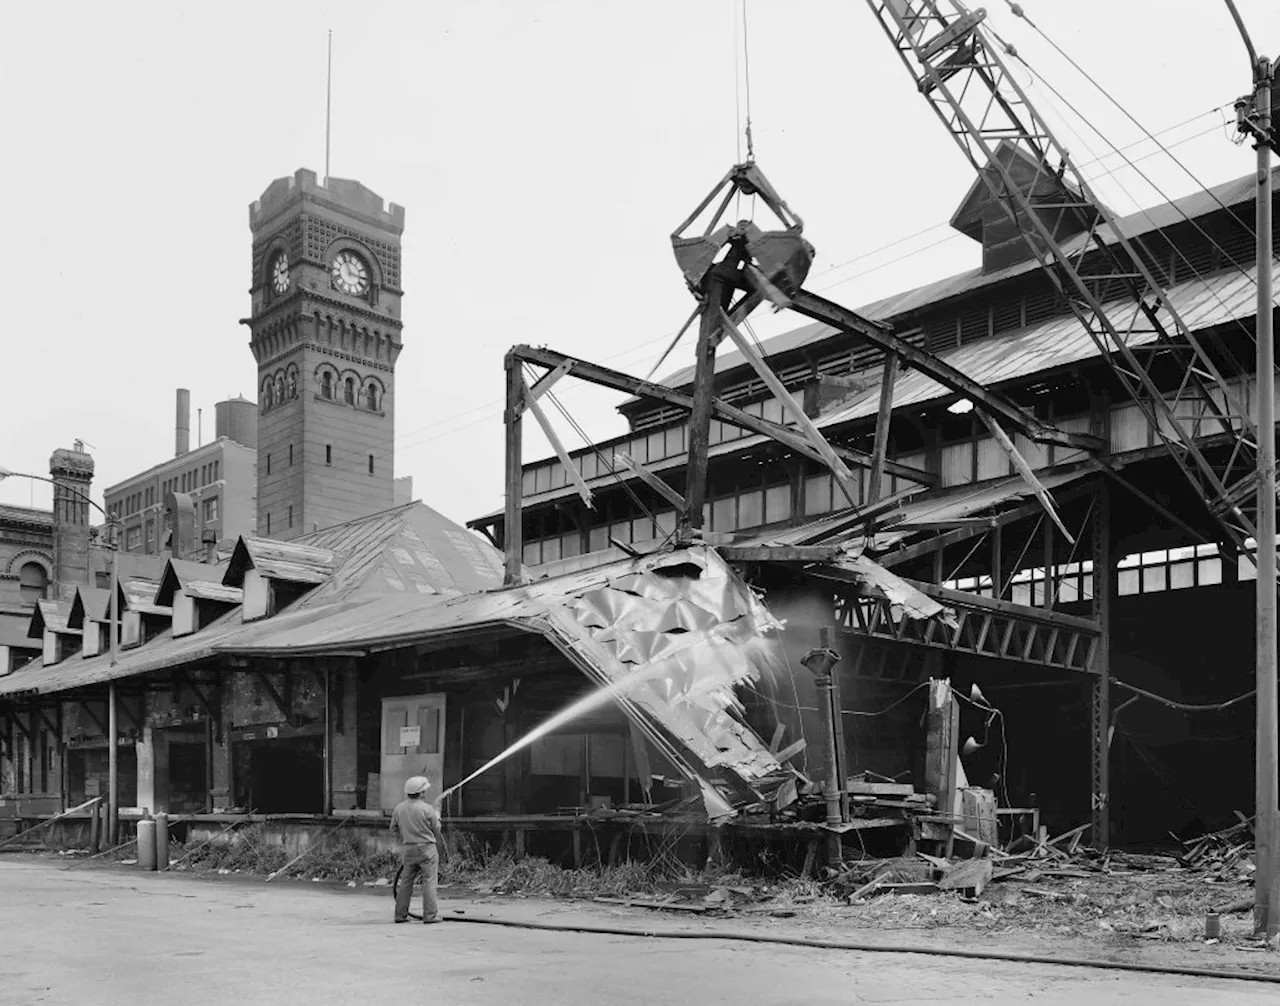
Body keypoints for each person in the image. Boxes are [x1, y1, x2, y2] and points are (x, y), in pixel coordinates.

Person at [390, 775, 445, 924]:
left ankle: (400, 915)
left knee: (406, 882)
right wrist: (437, 815)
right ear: (421, 793)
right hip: (427, 849)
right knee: (429, 882)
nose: (426, 793)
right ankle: (430, 916)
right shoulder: (427, 809)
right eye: (425, 790)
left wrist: (404, 839)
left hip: (408, 849)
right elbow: (436, 829)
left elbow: (393, 828)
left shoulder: (399, 808)